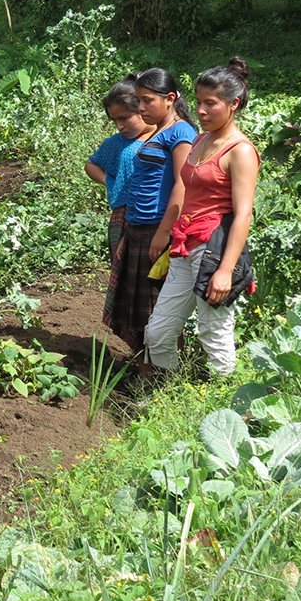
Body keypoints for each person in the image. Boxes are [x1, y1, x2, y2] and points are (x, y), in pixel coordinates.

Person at [144, 57, 260, 376]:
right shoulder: (201, 139)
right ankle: (169, 389)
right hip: (184, 246)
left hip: (213, 250)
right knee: (158, 332)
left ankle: (224, 398)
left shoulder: (240, 151)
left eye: (211, 103)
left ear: (234, 104)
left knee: (214, 331)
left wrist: (225, 271)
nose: (201, 111)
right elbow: (185, 188)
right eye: (198, 102)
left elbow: (243, 214)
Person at [103, 68, 198, 370]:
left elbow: (183, 184)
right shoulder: (158, 131)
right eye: (139, 101)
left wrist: (164, 232)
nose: (141, 107)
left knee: (156, 306)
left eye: (146, 101)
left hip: (157, 226)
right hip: (139, 225)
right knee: (139, 307)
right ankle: (148, 369)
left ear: (170, 99)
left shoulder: (181, 132)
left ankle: (162, 374)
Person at [85, 78, 155, 261]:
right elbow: (91, 164)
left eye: (124, 118)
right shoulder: (117, 143)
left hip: (157, 214)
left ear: (142, 109)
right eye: (114, 120)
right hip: (124, 216)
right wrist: (110, 182)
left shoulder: (167, 136)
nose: (119, 126)